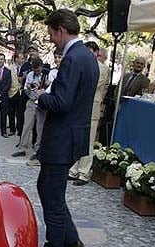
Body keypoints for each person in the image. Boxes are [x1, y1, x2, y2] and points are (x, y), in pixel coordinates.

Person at [34, 9, 99, 247]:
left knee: (50, 192)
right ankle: (70, 238)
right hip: (72, 136)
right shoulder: (88, 56)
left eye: (51, 34)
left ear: (61, 29)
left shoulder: (73, 58)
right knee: (50, 189)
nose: (51, 40)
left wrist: (41, 96)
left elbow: (61, 101)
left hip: (61, 138)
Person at [68, 41, 109, 185]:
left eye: (90, 51)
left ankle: (84, 173)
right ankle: (74, 169)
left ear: (96, 52)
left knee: (88, 141)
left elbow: (92, 85)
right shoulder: (82, 65)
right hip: (79, 108)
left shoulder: (102, 69)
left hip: (92, 108)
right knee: (78, 139)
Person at [13, 58, 46, 158]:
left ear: (41, 67)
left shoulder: (46, 75)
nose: (36, 72)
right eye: (35, 70)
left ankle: (38, 149)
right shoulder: (30, 75)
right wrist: (28, 88)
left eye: (38, 70)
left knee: (40, 128)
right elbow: (26, 91)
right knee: (27, 125)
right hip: (31, 102)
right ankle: (22, 147)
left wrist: (42, 88)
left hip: (42, 103)